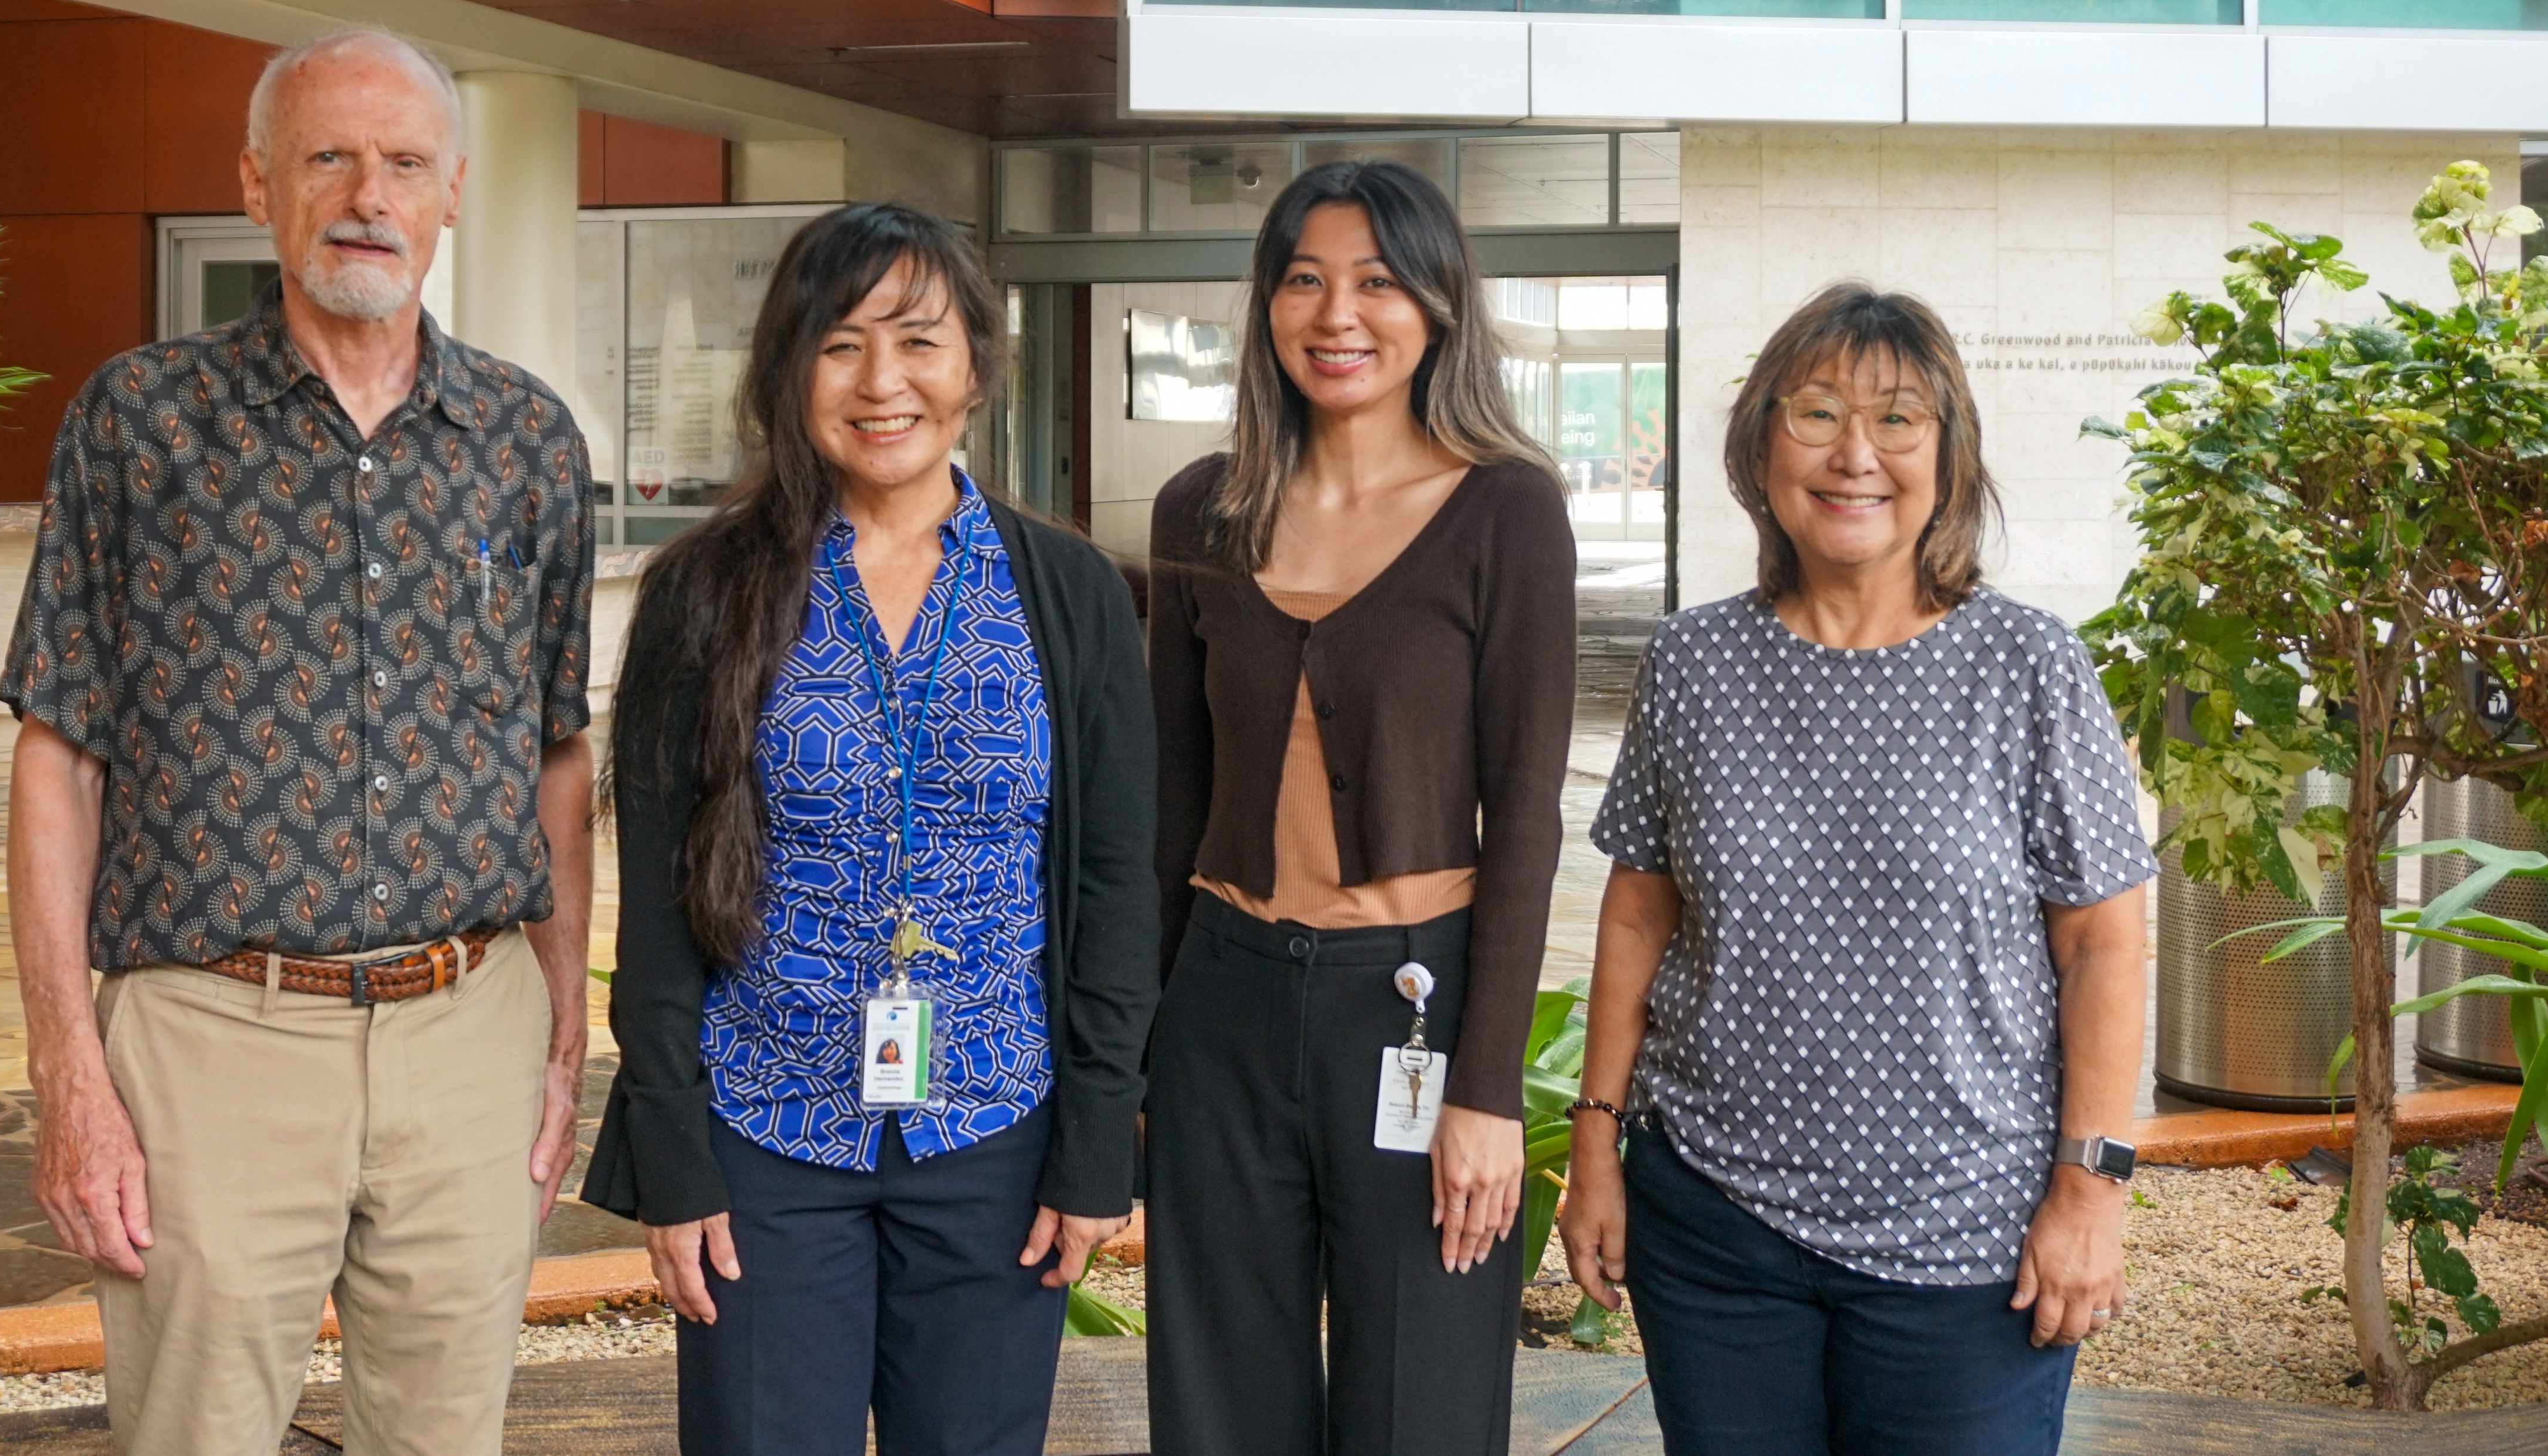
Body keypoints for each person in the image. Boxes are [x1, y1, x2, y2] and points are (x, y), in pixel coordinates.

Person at [1, 24, 595, 1455]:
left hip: (471, 1033)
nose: (365, 196)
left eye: (402, 163)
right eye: (327, 156)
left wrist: (567, 1036)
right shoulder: (140, 423)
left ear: (454, 190)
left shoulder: (528, 440)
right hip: (212, 1037)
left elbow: (558, 759)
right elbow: (57, 757)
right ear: (258, 183)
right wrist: (68, 1072)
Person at [581, 203, 1159, 1456]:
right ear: (788, 373)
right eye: (838, 345)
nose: (881, 381)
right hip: (762, 1131)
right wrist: (672, 1150)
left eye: (917, 341)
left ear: (976, 368)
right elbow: (665, 904)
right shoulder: (705, 590)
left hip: (996, 1125)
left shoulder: (1071, 592)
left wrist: (1094, 1140)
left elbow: (1118, 883)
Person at [1556, 282, 2155, 1455]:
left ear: (1947, 454)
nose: (1853, 454)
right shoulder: (1692, 661)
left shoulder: (2028, 666)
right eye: (1816, 411)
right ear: (1760, 443)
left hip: (1965, 1243)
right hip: (1715, 1228)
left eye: (1896, 419)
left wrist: (2090, 1192)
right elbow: (1636, 913)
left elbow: (2103, 943)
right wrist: (1594, 1144)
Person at [1143, 159, 1577, 1456]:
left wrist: (1488, 1091)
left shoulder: (1506, 509)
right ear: (1267, 306)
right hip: (1221, 1002)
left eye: (1378, 282)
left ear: (1437, 305)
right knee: (1221, 1405)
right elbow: (1168, 803)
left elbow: (1529, 816)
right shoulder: (1201, 511)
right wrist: (1139, 1055)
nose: (1338, 315)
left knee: (1423, 1410)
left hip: (1416, 1006)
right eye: (1304, 280)